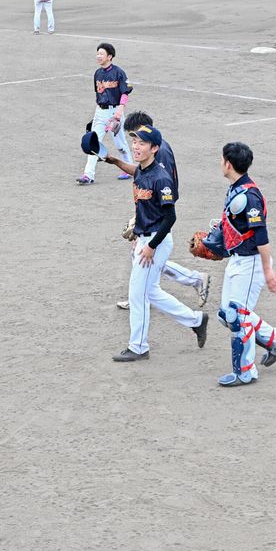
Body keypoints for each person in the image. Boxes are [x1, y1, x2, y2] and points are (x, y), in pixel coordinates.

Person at [112, 124, 209, 362]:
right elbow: (138, 187)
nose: (136, 146)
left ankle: (138, 347)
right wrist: (112, 161)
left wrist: (150, 246)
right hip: (147, 237)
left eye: (142, 143)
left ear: (155, 148)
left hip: (157, 241)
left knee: (137, 296)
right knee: (151, 292)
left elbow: (170, 217)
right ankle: (196, 321)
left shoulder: (161, 178)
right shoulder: (143, 171)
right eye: (134, 142)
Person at [103, 111, 210, 311]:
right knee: (144, 254)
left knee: (145, 252)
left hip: (159, 212)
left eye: (136, 138)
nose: (134, 144)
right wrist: (116, 162)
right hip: (151, 209)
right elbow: (142, 175)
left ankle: (145, 293)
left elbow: (160, 185)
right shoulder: (151, 150)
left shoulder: (160, 154)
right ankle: (145, 291)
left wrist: (146, 218)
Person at [212, 142, 276, 387]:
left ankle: (245, 372)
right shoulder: (236, 189)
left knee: (238, 316)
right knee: (226, 314)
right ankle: (275, 337)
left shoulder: (249, 196)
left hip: (251, 263)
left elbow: (261, 235)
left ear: (228, 163)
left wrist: (267, 270)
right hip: (238, 261)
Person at [76, 43, 133, 185]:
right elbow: (99, 94)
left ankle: (129, 168)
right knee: (93, 142)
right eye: (97, 53)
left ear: (110, 56)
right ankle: (88, 175)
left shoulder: (119, 72)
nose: (98, 56)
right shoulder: (97, 73)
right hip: (100, 112)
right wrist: (97, 115)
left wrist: (120, 109)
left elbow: (125, 91)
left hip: (115, 111)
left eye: (101, 54)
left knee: (120, 143)